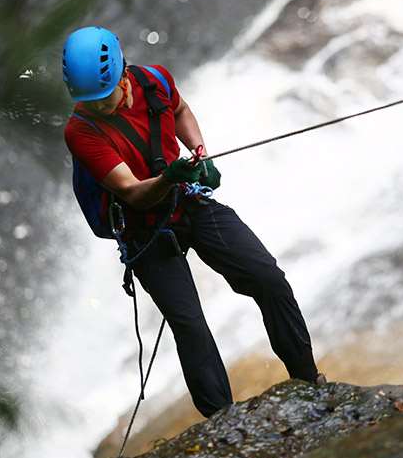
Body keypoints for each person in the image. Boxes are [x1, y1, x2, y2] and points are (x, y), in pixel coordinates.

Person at [61, 26, 323, 418]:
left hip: (188, 202)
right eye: (88, 100)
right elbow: (132, 191)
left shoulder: (155, 81)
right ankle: (222, 421)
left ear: (122, 74)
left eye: (103, 96)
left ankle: (309, 382)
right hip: (144, 230)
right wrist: (170, 177)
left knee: (267, 276)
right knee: (190, 325)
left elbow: (180, 110)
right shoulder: (81, 131)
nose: (95, 106)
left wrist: (200, 152)